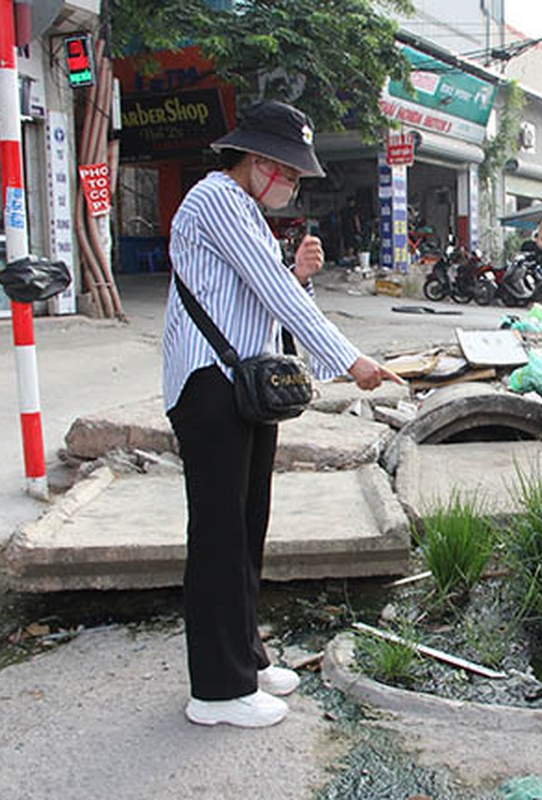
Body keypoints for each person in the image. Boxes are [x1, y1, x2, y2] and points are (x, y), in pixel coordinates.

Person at [163, 100, 403, 729]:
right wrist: (351, 361)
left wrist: (299, 278)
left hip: (241, 389)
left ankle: (246, 658)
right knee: (218, 538)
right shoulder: (215, 199)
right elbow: (268, 295)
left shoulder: (244, 211)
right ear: (260, 161)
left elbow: (262, 302)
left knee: (247, 529)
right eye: (291, 174)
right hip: (208, 389)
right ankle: (216, 691)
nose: (294, 185)